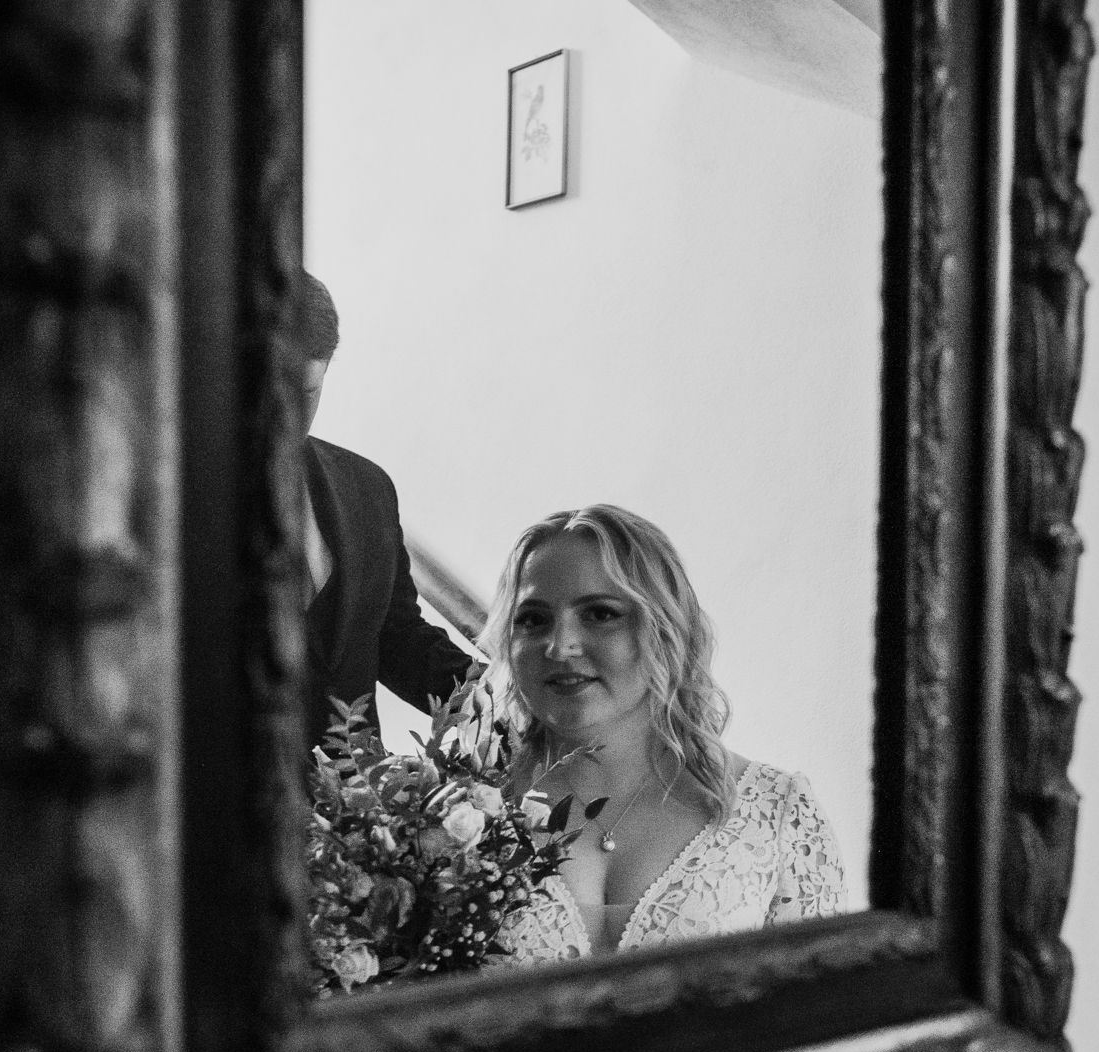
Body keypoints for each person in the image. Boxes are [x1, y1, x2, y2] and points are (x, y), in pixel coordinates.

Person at [477, 505, 848, 964]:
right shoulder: (457, 816)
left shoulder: (777, 813)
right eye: (533, 619)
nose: (559, 646)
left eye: (599, 613)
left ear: (666, 628)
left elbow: (829, 999)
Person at [297, 273, 473, 741]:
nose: (284, 417)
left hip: (356, 781)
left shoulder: (367, 488)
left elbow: (395, 637)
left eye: (306, 393)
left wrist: (500, 698)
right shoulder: (167, 505)